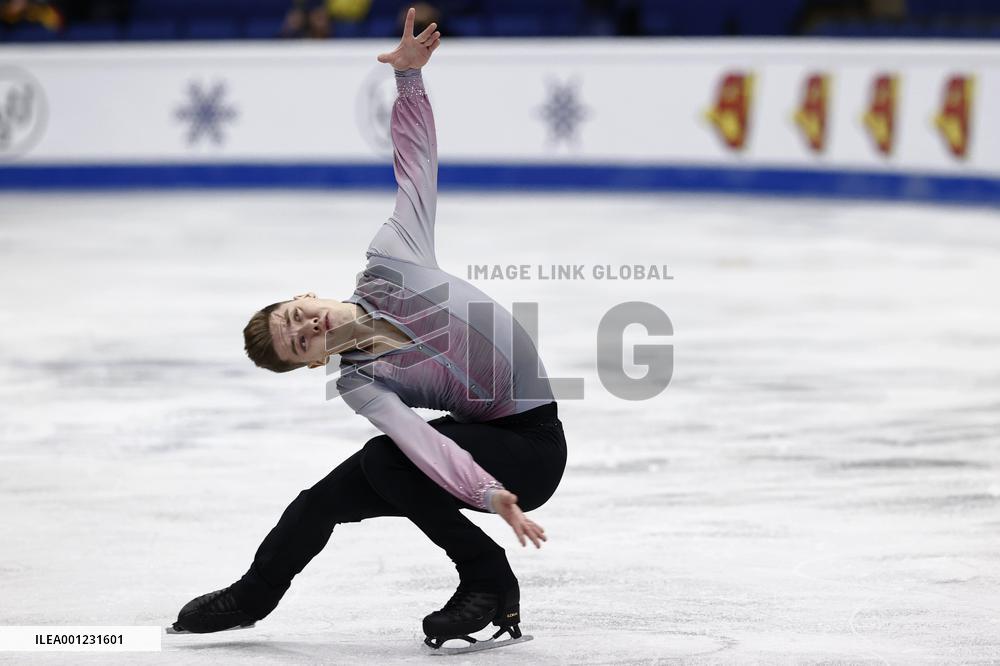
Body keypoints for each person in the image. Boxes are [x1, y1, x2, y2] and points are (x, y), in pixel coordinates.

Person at [171, 8, 567, 650]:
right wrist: (486, 493)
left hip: (531, 444)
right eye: (300, 342)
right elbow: (421, 439)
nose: (308, 327)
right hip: (481, 456)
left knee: (384, 462)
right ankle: (252, 595)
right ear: (308, 364)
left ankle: (487, 580)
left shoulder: (392, 260)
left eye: (295, 315)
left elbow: (415, 165)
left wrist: (409, 81)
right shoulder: (358, 379)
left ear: (304, 295)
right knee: (327, 495)